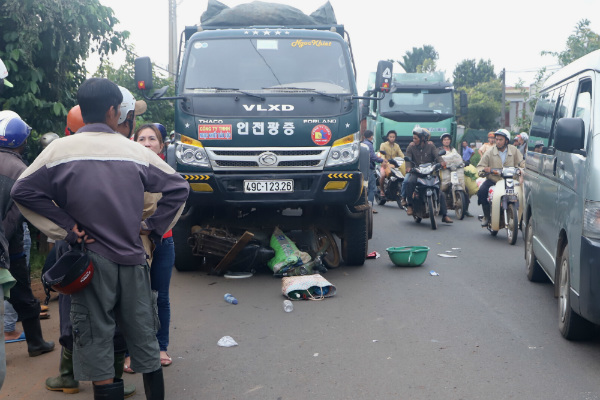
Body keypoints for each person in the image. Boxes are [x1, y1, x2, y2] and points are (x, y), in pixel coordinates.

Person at [11, 78, 189, 399]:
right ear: (112, 111)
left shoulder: (58, 151)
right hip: (134, 261)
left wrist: (66, 227)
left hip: (89, 265)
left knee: (96, 344)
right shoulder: (134, 151)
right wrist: (153, 226)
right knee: (145, 343)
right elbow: (178, 187)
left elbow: (22, 190)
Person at [43, 101, 141, 397]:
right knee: (112, 313)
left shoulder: (60, 156)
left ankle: (68, 377)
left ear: (68, 130)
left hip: (72, 249)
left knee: (74, 310)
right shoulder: (121, 154)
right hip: (118, 249)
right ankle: (111, 381)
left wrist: (66, 228)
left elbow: (36, 196)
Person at [0, 111, 55, 358]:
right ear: (19, 142)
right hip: (9, 249)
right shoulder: (21, 170)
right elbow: (14, 216)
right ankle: (35, 343)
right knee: (22, 294)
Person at [124, 124, 176, 373]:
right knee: (132, 298)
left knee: (160, 296)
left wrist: (150, 225)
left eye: (152, 139)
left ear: (161, 146)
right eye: (141, 138)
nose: (146, 143)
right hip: (133, 242)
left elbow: (177, 202)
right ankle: (129, 352)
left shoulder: (168, 173)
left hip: (163, 240)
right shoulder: (126, 169)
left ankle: (161, 347)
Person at [477, 128, 525, 226]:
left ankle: (522, 219)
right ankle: (486, 216)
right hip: (494, 180)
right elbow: (480, 167)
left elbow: (522, 162)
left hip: (511, 180)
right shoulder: (489, 152)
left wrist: (523, 168)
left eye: (500, 140)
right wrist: (485, 170)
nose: (498, 142)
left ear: (506, 141)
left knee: (523, 195)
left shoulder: (514, 150)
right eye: (497, 139)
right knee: (482, 191)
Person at [404, 127, 453, 223]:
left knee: (439, 190)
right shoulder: (411, 147)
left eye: (416, 138)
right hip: (417, 172)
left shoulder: (431, 146)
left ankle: (444, 215)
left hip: (429, 172)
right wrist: (409, 167)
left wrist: (442, 162)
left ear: (422, 138)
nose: (414, 140)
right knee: (410, 182)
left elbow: (437, 156)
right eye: (413, 138)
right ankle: (409, 205)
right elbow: (408, 159)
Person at [362, 130, 387, 213]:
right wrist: (381, 160)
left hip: (362, 169)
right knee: (372, 188)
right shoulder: (369, 144)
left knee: (364, 188)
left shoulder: (362, 144)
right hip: (369, 168)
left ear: (364, 136)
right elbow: (372, 157)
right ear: (371, 136)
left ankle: (363, 205)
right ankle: (370, 207)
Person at [378, 130, 405, 197]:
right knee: (383, 175)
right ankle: (382, 190)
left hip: (394, 165)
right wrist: (384, 160)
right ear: (388, 137)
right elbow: (382, 154)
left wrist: (405, 159)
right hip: (385, 165)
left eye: (393, 137)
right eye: (390, 137)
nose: (392, 138)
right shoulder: (383, 145)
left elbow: (401, 155)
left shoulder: (397, 146)